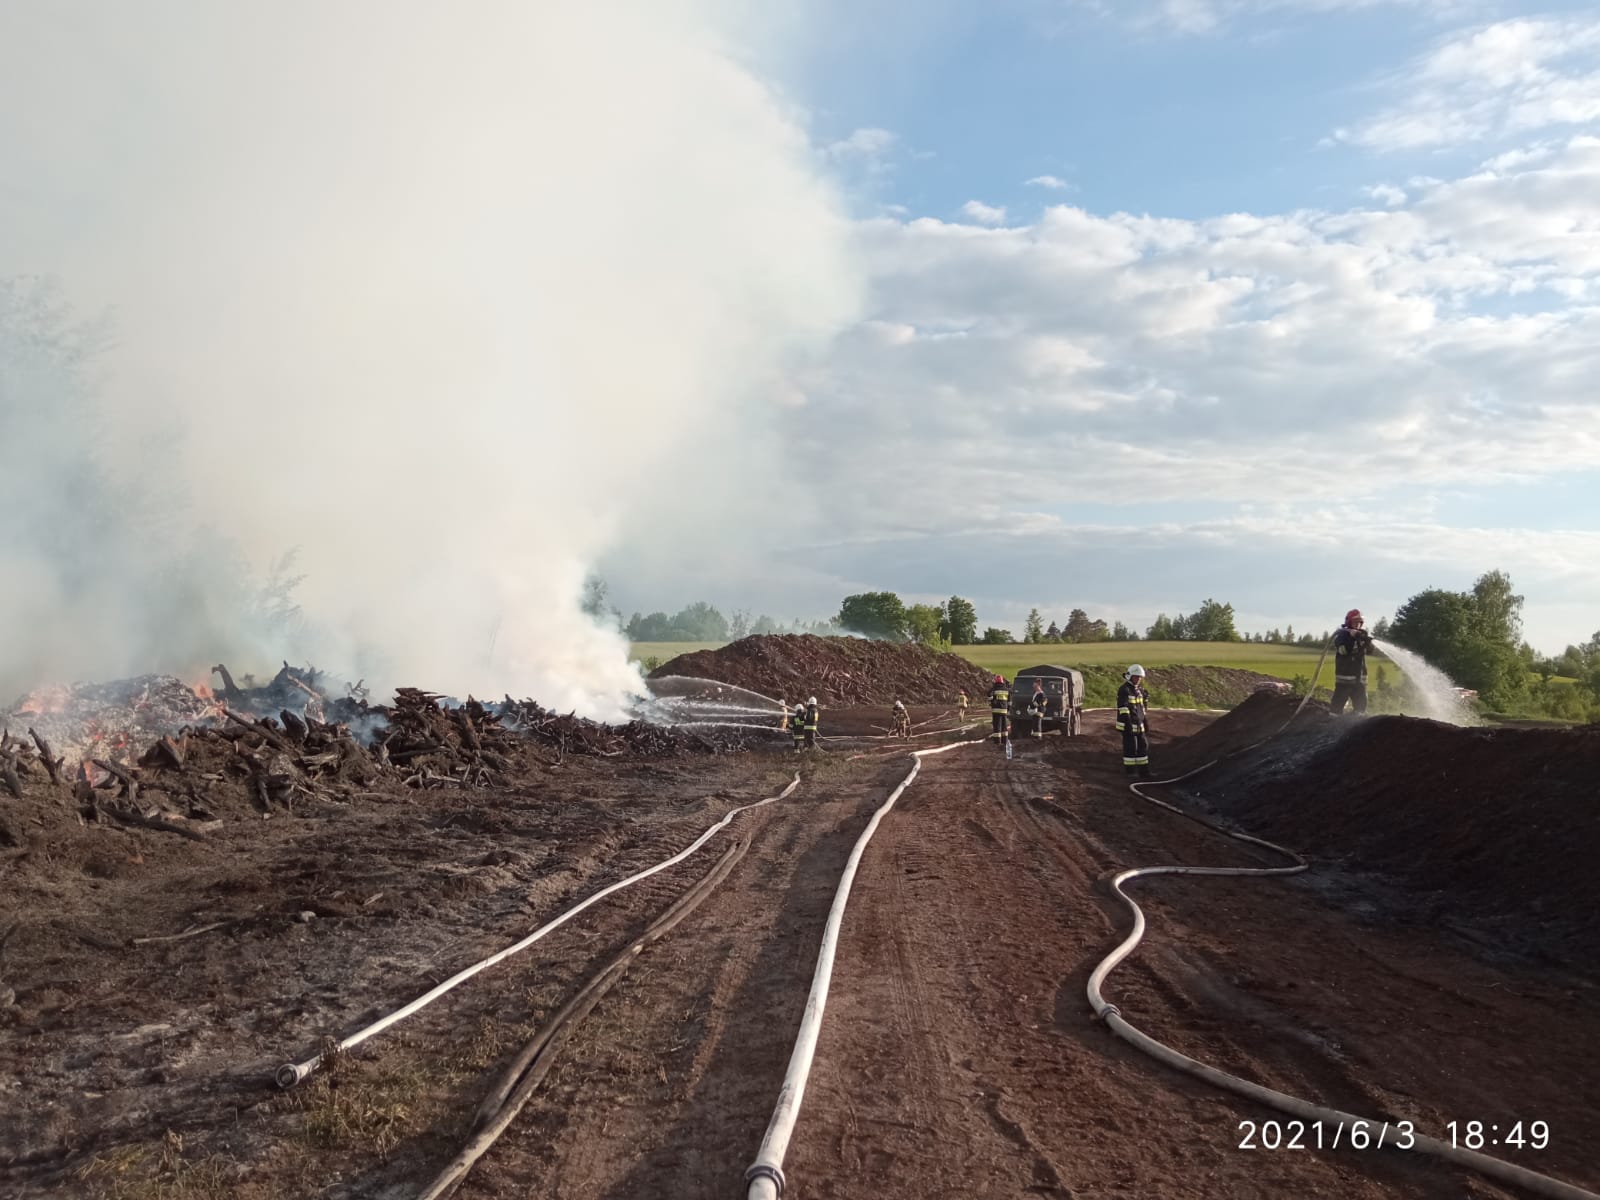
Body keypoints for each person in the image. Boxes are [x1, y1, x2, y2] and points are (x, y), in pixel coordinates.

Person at [1331, 609, 1375, 716]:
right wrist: (1351, 638)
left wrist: (1368, 643)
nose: (1358, 624)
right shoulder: (1342, 635)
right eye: (1355, 621)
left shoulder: (1362, 634)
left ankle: (1357, 720)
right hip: (1345, 677)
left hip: (1360, 677)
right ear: (1349, 621)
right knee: (1338, 701)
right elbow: (1343, 651)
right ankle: (1333, 720)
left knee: (1361, 703)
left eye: (1360, 622)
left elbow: (1370, 652)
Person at [1116, 665, 1151, 777]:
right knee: (1131, 748)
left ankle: (1144, 772)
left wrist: (1145, 721)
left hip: (1139, 725)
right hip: (1128, 725)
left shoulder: (1140, 691)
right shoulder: (1124, 690)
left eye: (1140, 677)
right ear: (1130, 676)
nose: (1138, 679)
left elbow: (1142, 708)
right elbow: (1123, 708)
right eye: (1136, 677)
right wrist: (1128, 724)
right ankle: (1130, 772)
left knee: (1143, 747)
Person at [987, 675, 1010, 741]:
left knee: (997, 725)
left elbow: (989, 695)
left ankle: (997, 741)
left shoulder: (994, 689)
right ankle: (1005, 740)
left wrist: (992, 701)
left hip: (996, 710)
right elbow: (1009, 701)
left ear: (996, 681)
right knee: (1004, 725)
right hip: (1004, 710)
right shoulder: (1006, 689)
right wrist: (1008, 709)